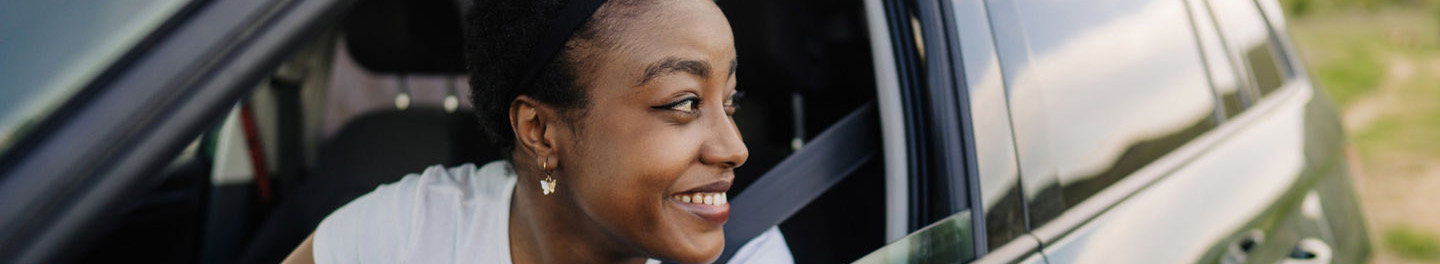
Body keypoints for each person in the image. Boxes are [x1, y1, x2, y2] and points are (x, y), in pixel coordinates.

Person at [282, 0, 793, 263]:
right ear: (541, 131)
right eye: (684, 103)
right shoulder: (409, 235)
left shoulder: (747, 248)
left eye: (730, 102)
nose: (736, 148)